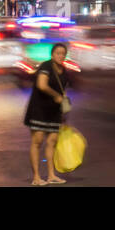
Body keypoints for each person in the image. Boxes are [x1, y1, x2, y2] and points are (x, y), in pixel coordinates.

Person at [24, 43, 71, 185]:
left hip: (54, 112)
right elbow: (42, 85)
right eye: (58, 53)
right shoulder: (46, 66)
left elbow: (64, 92)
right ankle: (36, 177)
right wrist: (55, 95)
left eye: (63, 53)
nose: (60, 56)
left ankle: (51, 175)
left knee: (52, 143)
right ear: (52, 54)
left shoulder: (64, 70)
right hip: (39, 110)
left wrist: (64, 109)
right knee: (37, 142)